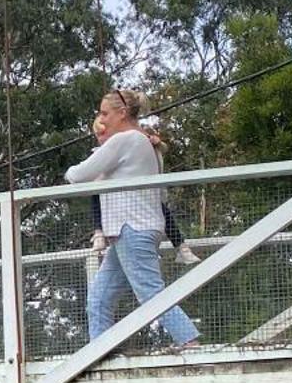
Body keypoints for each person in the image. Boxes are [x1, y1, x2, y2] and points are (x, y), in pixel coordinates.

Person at [67, 91, 200, 349]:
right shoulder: (147, 144)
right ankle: (98, 352)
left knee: (150, 292)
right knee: (99, 298)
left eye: (105, 113)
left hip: (131, 228)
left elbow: (77, 175)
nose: (101, 119)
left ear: (122, 113)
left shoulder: (126, 140)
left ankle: (189, 340)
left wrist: (94, 147)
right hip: (132, 230)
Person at [86, 111, 198, 267]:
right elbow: (87, 174)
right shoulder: (99, 153)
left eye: (104, 132)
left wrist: (155, 142)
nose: (101, 137)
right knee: (95, 193)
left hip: (140, 202)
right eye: (98, 134)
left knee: (159, 207)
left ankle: (181, 246)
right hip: (117, 209)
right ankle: (98, 232)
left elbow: (161, 147)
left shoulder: (131, 142)